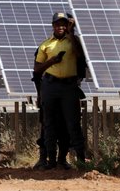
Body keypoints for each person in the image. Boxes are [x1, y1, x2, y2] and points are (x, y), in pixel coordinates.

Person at [34, 12, 86, 169]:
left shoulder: (74, 42)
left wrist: (72, 33)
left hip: (69, 87)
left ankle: (79, 161)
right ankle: (50, 161)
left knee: (71, 124)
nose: (61, 27)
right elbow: (37, 70)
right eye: (58, 24)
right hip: (50, 86)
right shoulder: (45, 45)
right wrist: (52, 61)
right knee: (49, 124)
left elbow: (80, 55)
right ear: (53, 26)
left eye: (64, 24)